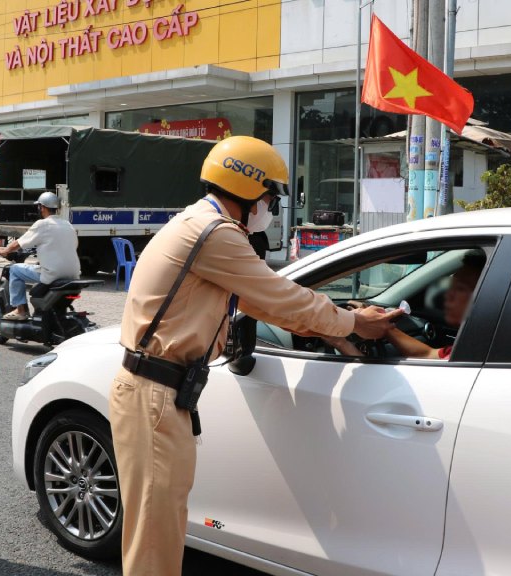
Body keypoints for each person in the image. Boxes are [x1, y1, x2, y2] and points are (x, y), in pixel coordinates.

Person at [110, 135, 403, 576]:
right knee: (155, 536)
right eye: (270, 196)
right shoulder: (217, 235)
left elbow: (261, 305)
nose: (270, 207)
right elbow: (280, 296)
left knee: (160, 525)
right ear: (246, 189)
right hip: (156, 394)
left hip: (158, 392)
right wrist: (353, 324)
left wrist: (334, 328)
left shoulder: (201, 225)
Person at [324, 252, 486, 359]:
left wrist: (341, 342)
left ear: (486, 296)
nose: (448, 294)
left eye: (461, 289)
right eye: (451, 286)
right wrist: (385, 326)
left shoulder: (478, 353)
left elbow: (373, 386)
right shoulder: (479, 344)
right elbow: (427, 354)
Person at [0, 191, 80, 320]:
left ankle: (20, 310)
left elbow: (19, 243)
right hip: (73, 274)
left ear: (42, 207)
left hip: (53, 274)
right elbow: (71, 246)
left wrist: (6, 250)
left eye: (39, 207)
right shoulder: (68, 225)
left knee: (15, 270)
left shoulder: (42, 224)